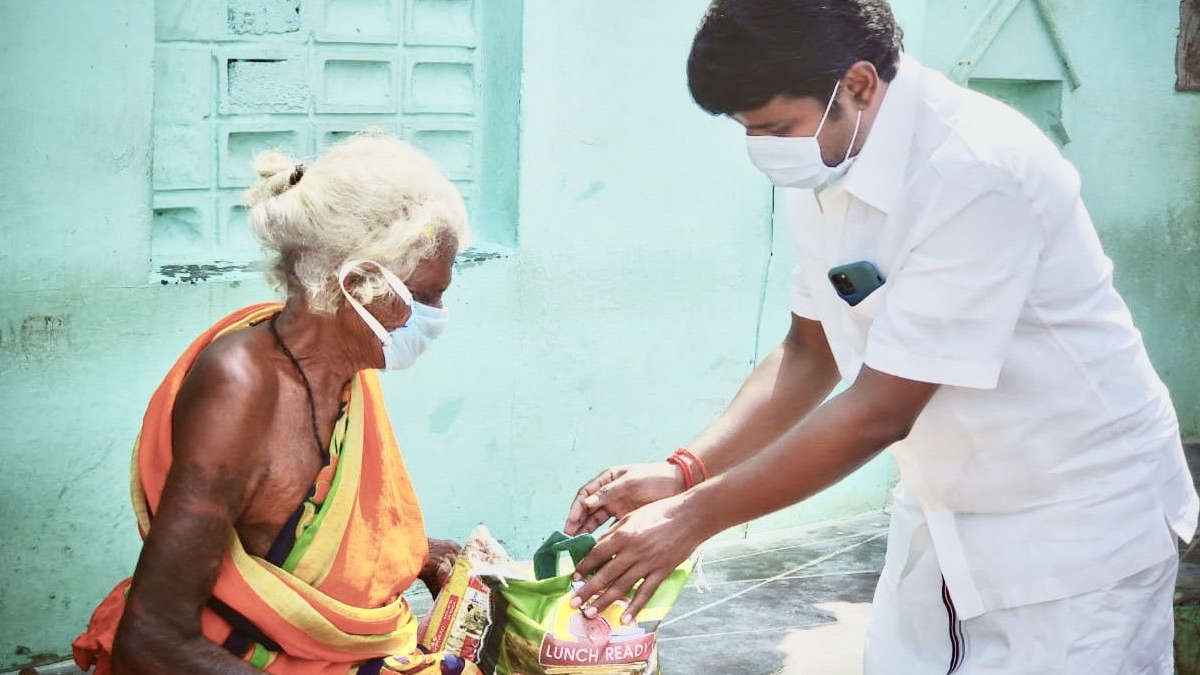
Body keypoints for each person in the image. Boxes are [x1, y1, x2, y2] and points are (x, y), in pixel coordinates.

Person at [562, 1, 1198, 672]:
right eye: (750, 131)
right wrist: (683, 470)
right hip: (946, 516)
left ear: (860, 85)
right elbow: (813, 350)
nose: (765, 149)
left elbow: (880, 411)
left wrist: (692, 516)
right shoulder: (831, 161)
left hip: (1076, 533)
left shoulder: (976, 171)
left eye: (778, 127)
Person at [74, 134, 481, 675]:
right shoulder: (239, 386)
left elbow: (293, 543)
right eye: (425, 297)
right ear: (357, 284)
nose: (437, 315)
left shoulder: (346, 368)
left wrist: (425, 555)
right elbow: (151, 643)